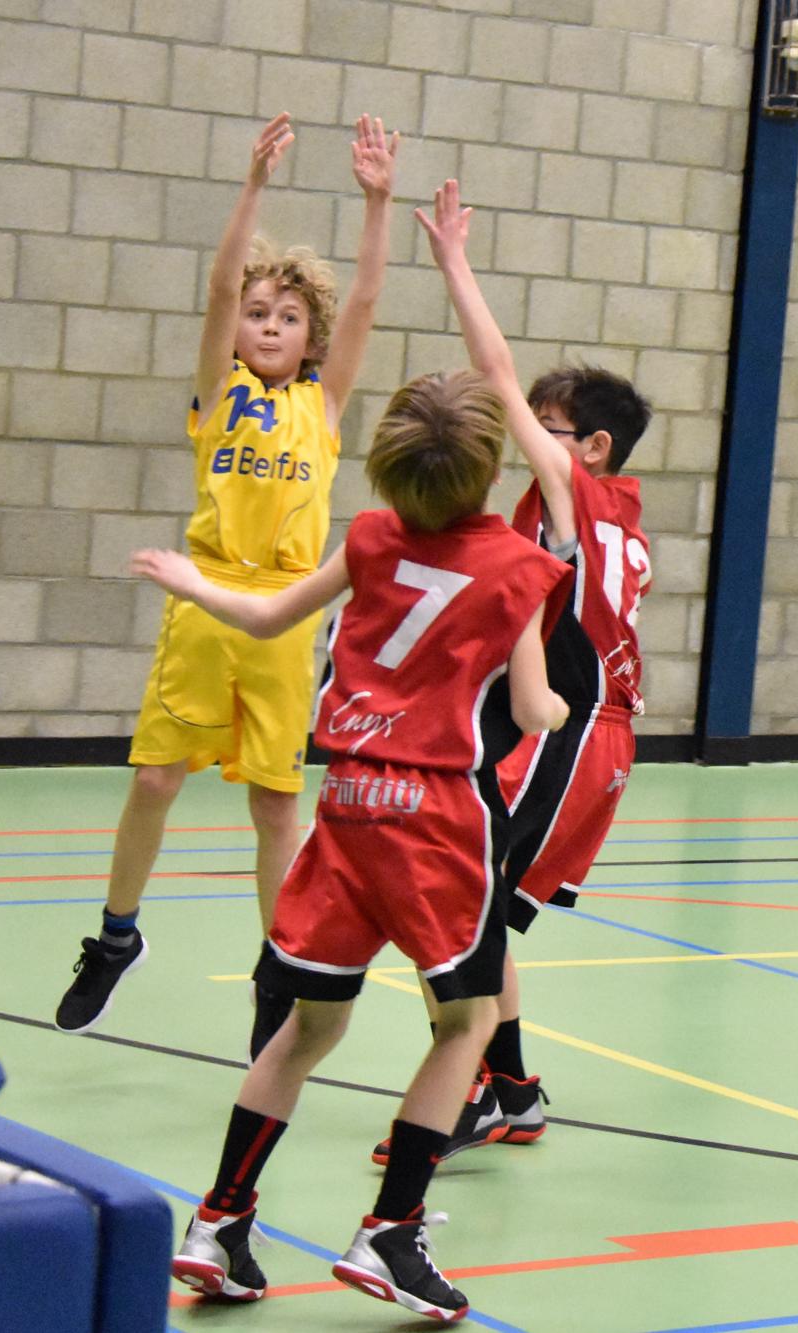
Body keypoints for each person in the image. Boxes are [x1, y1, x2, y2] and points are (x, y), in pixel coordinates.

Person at [151, 368, 572, 1320]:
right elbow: (530, 708)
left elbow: (269, 615)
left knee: (308, 1029)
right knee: (466, 1024)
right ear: (487, 468)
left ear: (386, 465)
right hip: (437, 819)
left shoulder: (372, 536)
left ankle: (217, 1222)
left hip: (346, 803)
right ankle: (391, 1229)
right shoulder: (518, 569)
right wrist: (558, 706)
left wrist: (192, 581)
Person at [54, 113, 400, 1052]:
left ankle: (277, 966)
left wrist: (377, 203)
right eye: (258, 313)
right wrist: (253, 188)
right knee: (156, 777)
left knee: (275, 803)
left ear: (311, 335)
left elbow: (368, 298)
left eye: (288, 316)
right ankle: (116, 937)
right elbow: (217, 289)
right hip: (206, 598)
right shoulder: (219, 392)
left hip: (284, 612)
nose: (269, 325)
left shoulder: (324, 406)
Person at [369, 180, 653, 1164]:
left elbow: (492, 371)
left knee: (458, 899)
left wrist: (454, 262)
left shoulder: (580, 494)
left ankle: (482, 1087)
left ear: (592, 447)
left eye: (545, 425)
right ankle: (511, 1087)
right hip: (573, 731)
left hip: (572, 732)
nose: (525, 432)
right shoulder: (589, 509)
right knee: (473, 900)